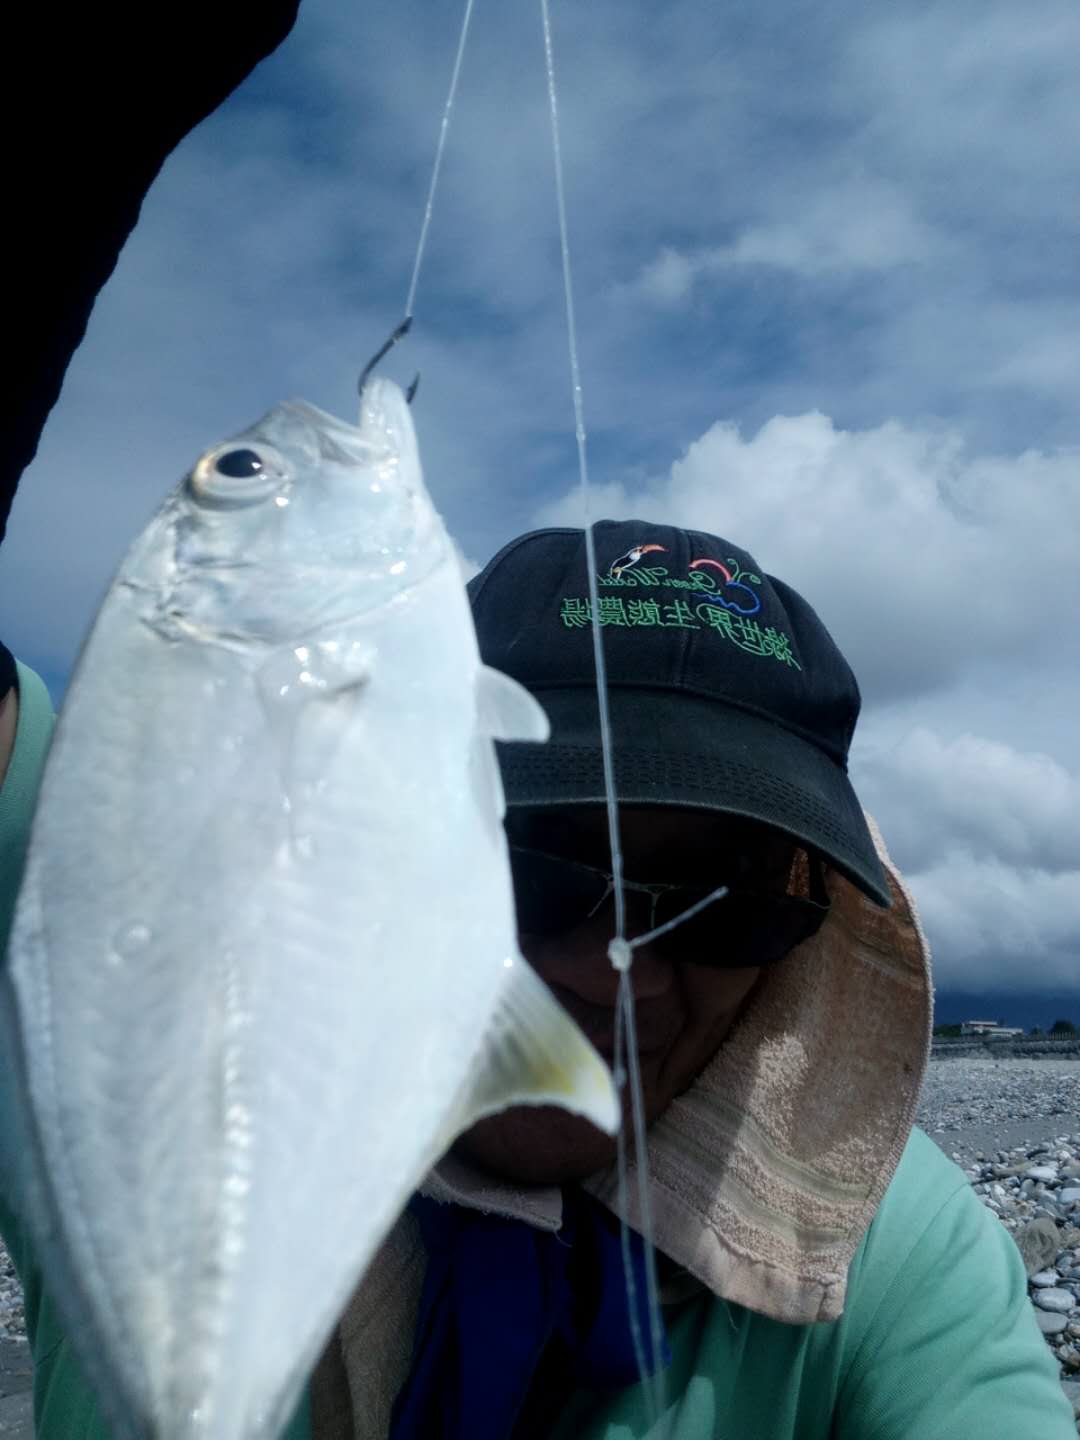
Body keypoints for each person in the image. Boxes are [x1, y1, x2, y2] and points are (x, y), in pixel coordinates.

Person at [0, 521, 1075, 1438]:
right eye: (528, 861)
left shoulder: (886, 1253)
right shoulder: (154, 1024)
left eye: (731, 895)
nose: (615, 975)